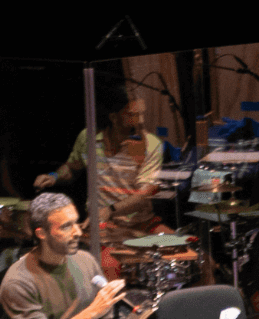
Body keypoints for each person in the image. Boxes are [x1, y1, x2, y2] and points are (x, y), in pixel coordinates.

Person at [0, 192, 126, 319]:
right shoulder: (18, 281)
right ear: (41, 233)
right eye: (66, 226)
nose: (78, 232)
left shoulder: (85, 261)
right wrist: (91, 312)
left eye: (76, 223)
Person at [33, 88, 163, 232]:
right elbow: (72, 167)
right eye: (133, 115)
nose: (141, 120)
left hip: (141, 223)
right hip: (103, 225)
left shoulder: (151, 144)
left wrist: (110, 210)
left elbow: (143, 195)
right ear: (114, 117)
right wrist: (54, 176)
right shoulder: (88, 138)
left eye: (141, 114)